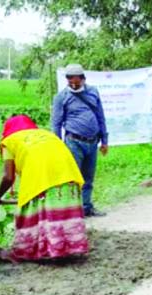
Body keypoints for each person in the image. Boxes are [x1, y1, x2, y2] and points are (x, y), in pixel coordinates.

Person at [0, 116, 88, 261]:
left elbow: (8, 177)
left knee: (32, 214)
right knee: (61, 213)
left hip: (41, 179)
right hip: (69, 176)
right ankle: (68, 248)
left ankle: (28, 250)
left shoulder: (9, 142)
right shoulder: (47, 134)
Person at [52, 64, 108, 217]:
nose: (74, 85)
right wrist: (58, 147)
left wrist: (104, 140)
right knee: (74, 178)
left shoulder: (93, 92)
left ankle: (86, 207)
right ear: (67, 80)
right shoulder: (61, 97)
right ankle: (73, 211)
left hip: (93, 142)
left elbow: (100, 116)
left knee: (88, 178)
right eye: (71, 82)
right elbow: (56, 124)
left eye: (77, 82)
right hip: (73, 142)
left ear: (83, 79)